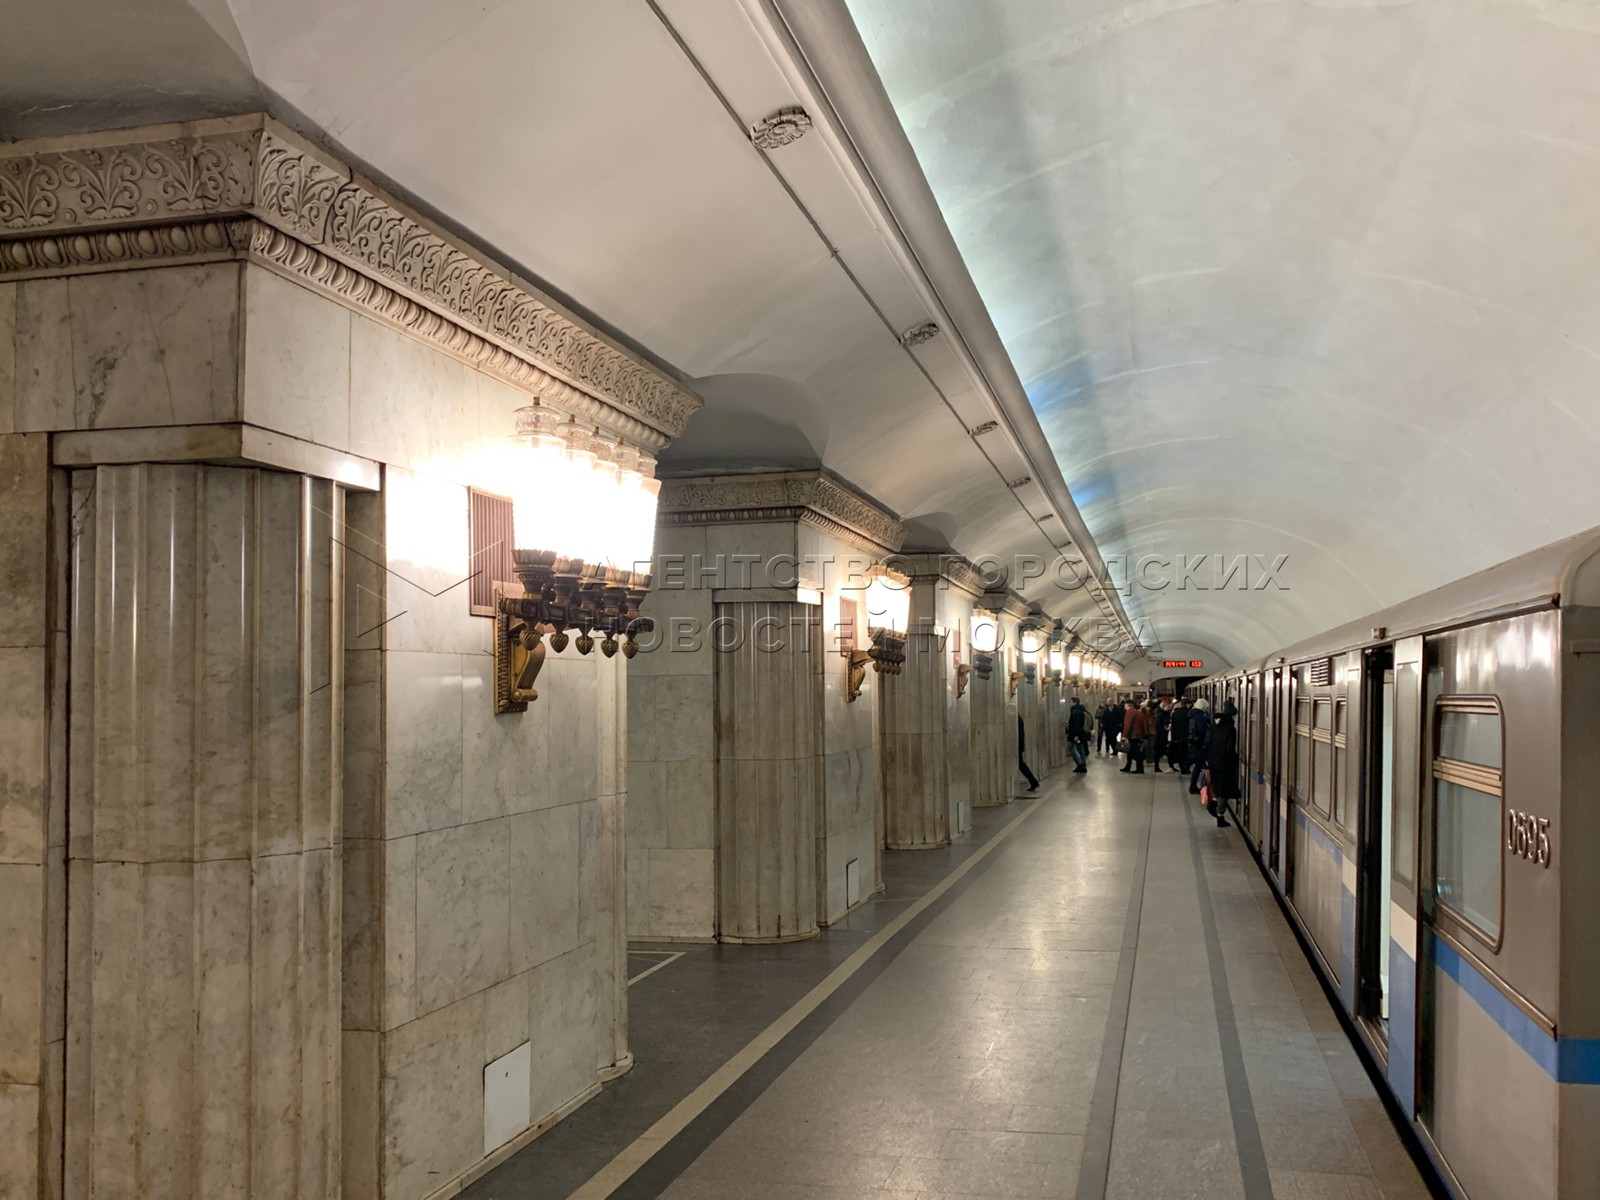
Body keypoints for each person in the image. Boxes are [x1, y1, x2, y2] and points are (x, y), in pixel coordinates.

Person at [1207, 700, 1241, 827]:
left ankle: (1215, 804)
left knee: (1217, 786)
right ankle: (1219, 815)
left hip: (1213, 761)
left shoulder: (1214, 726)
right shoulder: (1230, 729)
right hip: (1225, 763)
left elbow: (1208, 743)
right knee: (1224, 790)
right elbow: (1229, 749)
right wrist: (1234, 760)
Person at [1187, 697, 1212, 794]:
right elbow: (1202, 730)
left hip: (1194, 743)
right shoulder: (1200, 716)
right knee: (1198, 766)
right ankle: (1193, 786)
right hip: (1200, 744)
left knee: (1197, 766)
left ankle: (1193, 786)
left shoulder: (1192, 714)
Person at [1120, 700, 1150, 774]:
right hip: (1138, 734)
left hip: (1132, 735)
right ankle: (1128, 766)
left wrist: (1124, 736)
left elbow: (1127, 724)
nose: (1124, 706)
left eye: (1125, 705)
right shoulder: (1138, 712)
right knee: (1132, 751)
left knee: (1133, 752)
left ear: (1128, 705)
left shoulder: (1129, 712)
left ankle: (1139, 768)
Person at [1066, 696, 1091, 772]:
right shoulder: (1078, 710)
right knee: (1075, 749)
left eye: (1070, 702)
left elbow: (1077, 724)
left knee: (1079, 750)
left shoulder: (1077, 712)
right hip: (1077, 734)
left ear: (1075, 702)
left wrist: (1076, 735)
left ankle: (1082, 765)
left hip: (1077, 735)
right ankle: (1081, 765)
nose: (1069, 703)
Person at [1017, 713, 1040, 792]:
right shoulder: (1019, 718)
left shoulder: (1015, 719)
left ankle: (1033, 781)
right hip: (1019, 744)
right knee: (1021, 765)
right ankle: (1033, 781)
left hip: (1017, 745)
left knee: (1021, 765)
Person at [1169, 698, 1190, 773]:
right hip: (1187, 736)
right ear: (1187, 704)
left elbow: (1173, 727)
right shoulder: (1189, 713)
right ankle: (1186, 767)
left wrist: (1173, 738)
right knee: (1187, 753)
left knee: (1181, 753)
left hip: (1178, 736)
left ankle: (1182, 767)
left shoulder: (1175, 714)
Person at [1152, 698, 1171, 773]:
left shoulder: (1165, 714)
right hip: (1160, 736)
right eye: (1167, 706)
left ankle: (1170, 766)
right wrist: (1165, 728)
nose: (1169, 708)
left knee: (1162, 751)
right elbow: (1158, 725)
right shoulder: (1160, 715)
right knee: (1160, 751)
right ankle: (1157, 766)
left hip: (1163, 735)